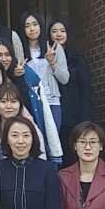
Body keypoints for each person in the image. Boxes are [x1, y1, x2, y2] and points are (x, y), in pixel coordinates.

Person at [50, 18, 94, 167]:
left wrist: (85, 121)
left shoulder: (78, 59)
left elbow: (86, 91)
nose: (58, 34)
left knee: (73, 159)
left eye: (62, 31)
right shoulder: (46, 60)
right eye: (54, 31)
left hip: (74, 118)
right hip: (55, 117)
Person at [20, 10, 69, 139]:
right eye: (27, 26)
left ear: (40, 26)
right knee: (34, 140)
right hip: (31, 102)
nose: (32, 29)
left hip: (52, 102)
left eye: (35, 24)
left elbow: (65, 79)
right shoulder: (19, 51)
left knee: (53, 141)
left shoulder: (54, 48)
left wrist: (52, 63)